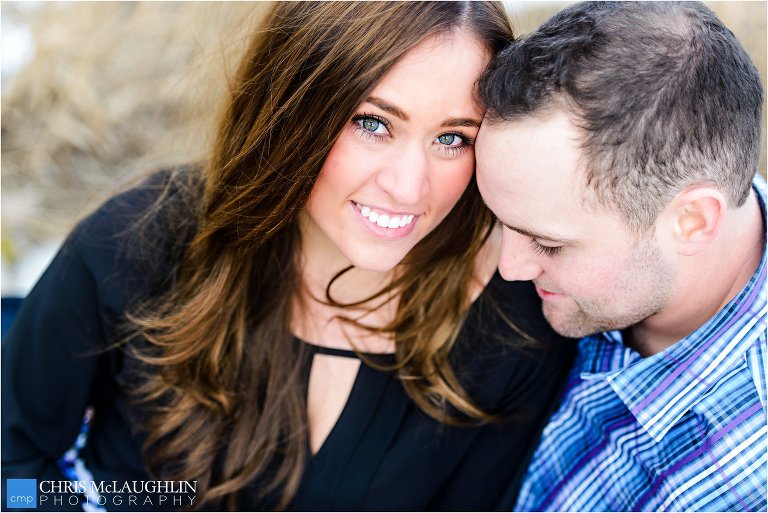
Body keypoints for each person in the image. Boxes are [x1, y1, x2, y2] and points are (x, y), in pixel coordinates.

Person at [2, 2, 575, 511]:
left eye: (453, 138)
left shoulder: (513, 323)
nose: (409, 187)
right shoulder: (138, 241)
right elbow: (12, 475)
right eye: (372, 123)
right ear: (291, 110)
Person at [475, 1, 766, 511]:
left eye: (547, 244)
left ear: (692, 221)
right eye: (496, 222)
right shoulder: (618, 231)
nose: (508, 268)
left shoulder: (741, 483)